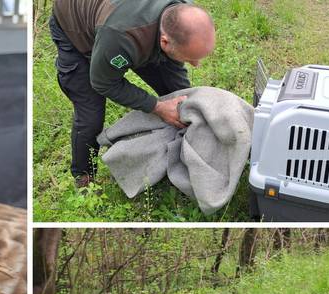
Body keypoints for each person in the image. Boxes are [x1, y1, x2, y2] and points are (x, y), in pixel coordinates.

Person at [50, 0, 216, 188]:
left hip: (128, 28)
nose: (195, 65)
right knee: (91, 116)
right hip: (75, 28)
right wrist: (157, 107)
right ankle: (84, 180)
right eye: (190, 58)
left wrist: (186, 105)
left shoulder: (182, 12)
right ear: (164, 41)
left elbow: (174, 77)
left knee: (179, 97)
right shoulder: (120, 36)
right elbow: (104, 82)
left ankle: (188, 152)